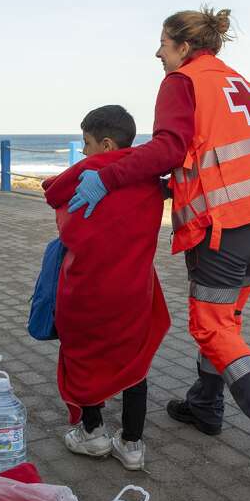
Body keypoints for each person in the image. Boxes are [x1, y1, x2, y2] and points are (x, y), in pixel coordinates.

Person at [66, 7, 250, 491]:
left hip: (228, 222)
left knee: (210, 325)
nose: (157, 51)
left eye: (162, 41)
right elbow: (211, 151)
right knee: (228, 320)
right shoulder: (238, 83)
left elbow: (169, 148)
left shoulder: (182, 81)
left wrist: (109, 176)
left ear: (183, 46)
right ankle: (205, 404)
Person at [43, 105, 170, 470]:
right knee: (135, 359)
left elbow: (55, 197)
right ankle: (131, 444)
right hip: (133, 289)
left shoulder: (88, 173)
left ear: (107, 144)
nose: (83, 152)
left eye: (86, 143)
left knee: (83, 355)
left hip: (87, 289)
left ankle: (93, 432)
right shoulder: (148, 179)